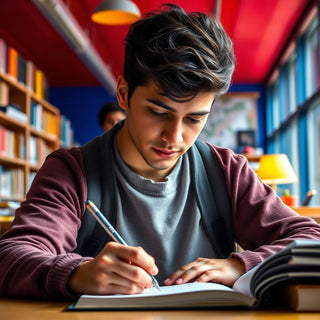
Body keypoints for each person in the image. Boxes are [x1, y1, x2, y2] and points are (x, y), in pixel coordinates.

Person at [1, 4, 320, 300]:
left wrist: (241, 265)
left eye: (195, 119)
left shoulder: (226, 170)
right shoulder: (72, 171)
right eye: (158, 112)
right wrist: (75, 273)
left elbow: (311, 238)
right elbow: (11, 255)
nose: (175, 137)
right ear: (124, 94)